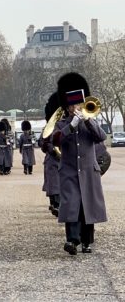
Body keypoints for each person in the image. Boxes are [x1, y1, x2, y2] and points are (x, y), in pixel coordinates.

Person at [54, 73, 107, 255]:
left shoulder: (90, 121)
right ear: (67, 106)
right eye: (72, 104)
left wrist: (87, 121)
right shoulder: (62, 124)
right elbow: (55, 140)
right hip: (69, 171)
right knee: (72, 204)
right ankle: (72, 240)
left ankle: (86, 242)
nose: (75, 107)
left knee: (87, 206)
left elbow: (101, 137)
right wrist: (72, 125)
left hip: (88, 171)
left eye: (78, 104)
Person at [40, 93, 60, 217]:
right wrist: (51, 148)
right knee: (54, 185)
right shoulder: (48, 127)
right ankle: (56, 204)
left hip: (67, 159)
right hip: (53, 160)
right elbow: (42, 143)